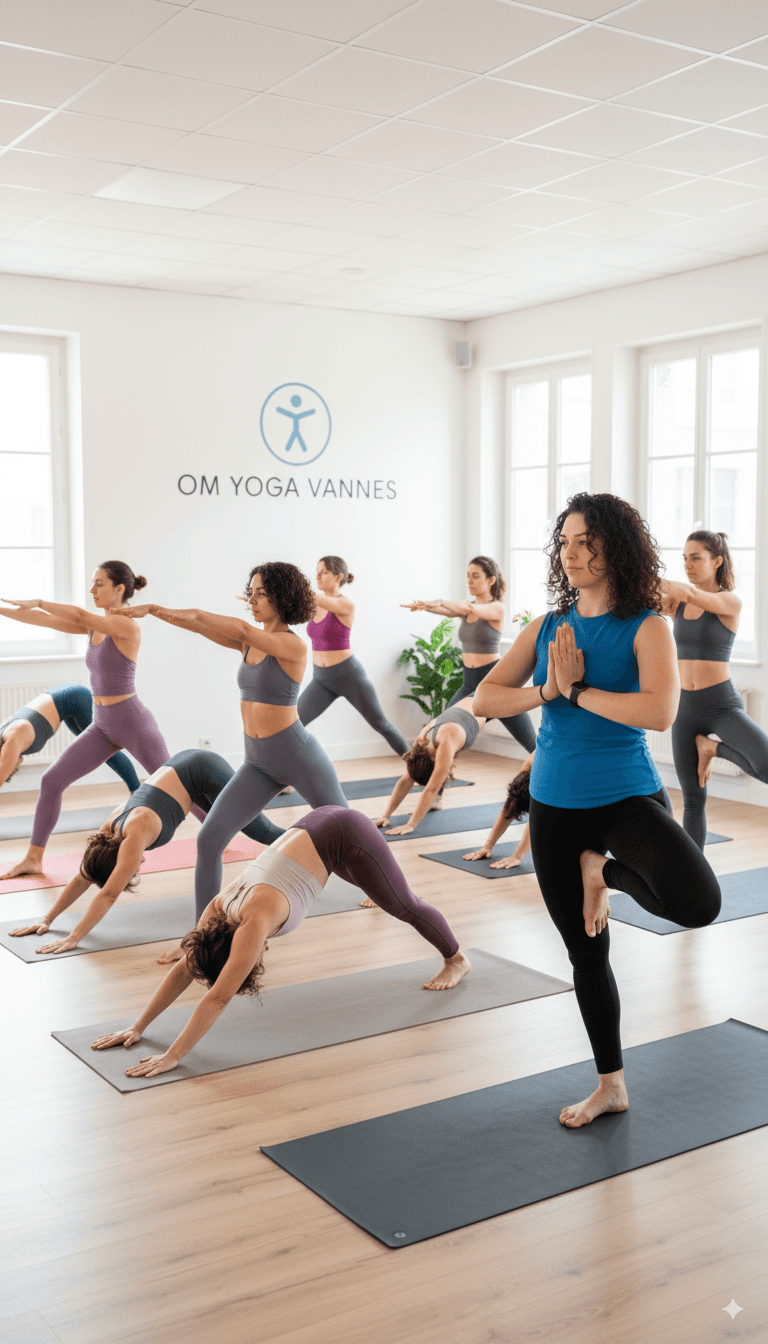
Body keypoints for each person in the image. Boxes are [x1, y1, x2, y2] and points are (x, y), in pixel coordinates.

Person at [474, 493, 721, 1128]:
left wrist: (580, 692)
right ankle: (610, 1083)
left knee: (698, 903)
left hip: (627, 797)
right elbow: (484, 699)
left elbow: (658, 713)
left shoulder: (647, 626)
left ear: (616, 547)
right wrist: (545, 691)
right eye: (566, 542)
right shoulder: (549, 626)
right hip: (555, 808)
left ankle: (600, 871)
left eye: (585, 540)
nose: (572, 551)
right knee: (588, 955)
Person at [90, 806, 472, 1079]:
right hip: (317, 827)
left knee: (403, 905)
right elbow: (183, 968)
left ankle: (456, 958)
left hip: (345, 831)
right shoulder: (217, 909)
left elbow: (219, 997)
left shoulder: (254, 919)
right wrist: (137, 1027)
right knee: (379, 886)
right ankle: (380, 885)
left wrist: (174, 1056)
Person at [124, 562, 348, 930]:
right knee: (209, 838)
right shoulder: (249, 643)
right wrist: (159, 615)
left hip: (298, 756)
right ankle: (200, 934)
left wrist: (152, 608)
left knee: (349, 830)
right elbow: (196, 625)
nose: (253, 599)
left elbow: (234, 624)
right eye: (252, 592)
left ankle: (385, 885)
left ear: (283, 597)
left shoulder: (292, 644)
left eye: (262, 593)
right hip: (258, 762)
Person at [9, 749, 285, 959]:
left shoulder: (134, 834)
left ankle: (315, 831)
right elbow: (83, 877)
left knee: (261, 831)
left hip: (203, 769)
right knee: (227, 830)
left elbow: (109, 893)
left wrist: (74, 937)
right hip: (186, 773)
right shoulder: (110, 829)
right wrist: (48, 919)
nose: (137, 867)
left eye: (130, 868)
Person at [0, 562, 169, 878]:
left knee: (175, 785)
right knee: (51, 781)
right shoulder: (96, 626)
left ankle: (224, 831)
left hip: (133, 721)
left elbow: (75, 615)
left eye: (99, 584)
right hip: (103, 724)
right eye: (92, 584)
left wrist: (38, 599)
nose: (93, 590)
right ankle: (34, 858)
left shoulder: (126, 625)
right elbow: (44, 620)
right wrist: (4, 610)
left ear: (119, 589)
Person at [662, 530, 768, 850]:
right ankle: (694, 884)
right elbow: (645, 601)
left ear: (716, 561)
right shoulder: (679, 602)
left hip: (720, 703)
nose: (688, 565)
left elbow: (694, 595)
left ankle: (712, 748)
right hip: (684, 708)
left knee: (764, 765)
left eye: (696, 558)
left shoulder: (728, 602)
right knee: (693, 800)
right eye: (684, 558)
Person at [402, 556, 536, 753]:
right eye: (468, 576)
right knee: (442, 729)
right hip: (470, 683)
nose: (470, 581)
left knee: (533, 745)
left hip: (496, 684)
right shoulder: (466, 609)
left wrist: (438, 601)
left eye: (475, 576)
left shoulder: (497, 608)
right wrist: (426, 606)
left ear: (491, 580)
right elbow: (448, 610)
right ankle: (433, 779)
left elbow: (468, 607)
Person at [298, 555, 409, 757]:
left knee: (381, 724)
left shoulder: (345, 605)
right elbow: (291, 608)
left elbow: (309, 596)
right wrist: (265, 599)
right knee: (292, 724)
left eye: (323, 572)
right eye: (317, 572)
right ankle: (285, 778)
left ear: (338, 577)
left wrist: (290, 586)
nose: (318, 576)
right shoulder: (315, 606)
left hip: (348, 676)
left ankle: (421, 769)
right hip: (321, 679)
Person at [371, 696, 485, 839]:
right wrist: (385, 815)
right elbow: (405, 781)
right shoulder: (423, 742)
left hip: (491, 701)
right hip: (473, 700)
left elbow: (432, 789)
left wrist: (411, 824)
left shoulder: (446, 743)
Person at [0, 683, 139, 793]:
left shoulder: (13, 738)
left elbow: (1, 774)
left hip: (75, 697)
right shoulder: (6, 735)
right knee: (97, 749)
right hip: (66, 702)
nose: (16, 768)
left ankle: (137, 793)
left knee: (105, 749)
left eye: (13, 769)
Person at [463, 752, 534, 869]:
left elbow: (537, 820)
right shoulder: (529, 765)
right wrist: (487, 846)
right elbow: (510, 806)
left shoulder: (555, 780)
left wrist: (517, 857)